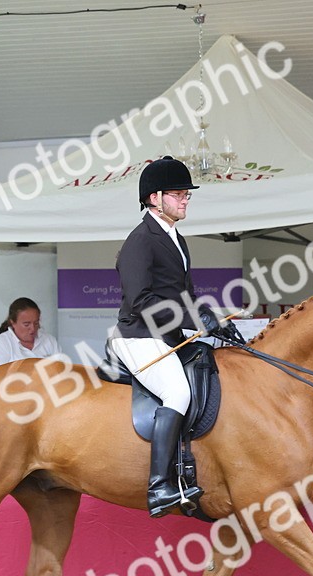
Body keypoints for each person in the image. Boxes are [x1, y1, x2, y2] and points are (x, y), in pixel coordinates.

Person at [110, 155, 240, 518]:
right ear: (155, 198)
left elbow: (185, 295)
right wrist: (192, 317)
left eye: (187, 195)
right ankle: (159, 486)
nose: (185, 199)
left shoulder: (177, 239)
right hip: (138, 336)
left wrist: (210, 317)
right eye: (178, 194)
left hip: (165, 335)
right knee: (178, 392)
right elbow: (140, 300)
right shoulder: (140, 241)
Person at [0, 297, 62, 369]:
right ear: (13, 323)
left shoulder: (50, 341)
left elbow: (61, 371)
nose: (33, 329)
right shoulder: (1, 344)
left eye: (36, 323)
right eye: (26, 324)